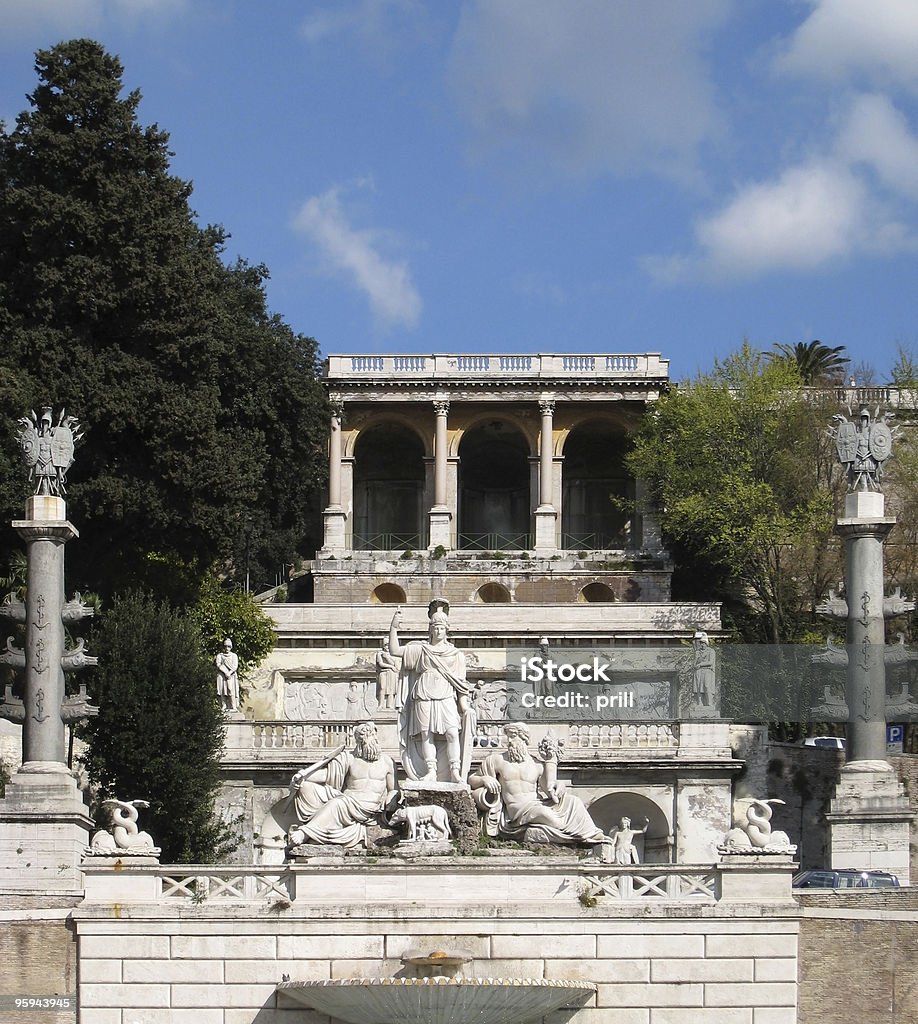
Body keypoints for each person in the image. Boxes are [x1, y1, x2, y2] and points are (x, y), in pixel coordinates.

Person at [469, 723, 605, 844]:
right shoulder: (496, 760)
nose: (509, 741)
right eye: (508, 737)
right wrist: (485, 779)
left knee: (573, 801)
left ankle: (590, 833)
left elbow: (548, 789)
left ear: (524, 739)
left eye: (513, 736)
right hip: (517, 810)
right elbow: (471, 780)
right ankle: (578, 835)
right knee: (545, 814)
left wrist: (558, 784)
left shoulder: (537, 764)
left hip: (536, 803)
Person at [389, 602, 474, 783]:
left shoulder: (456, 654)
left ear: (446, 630)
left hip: (446, 694)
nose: (438, 631)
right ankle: (431, 770)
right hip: (423, 693)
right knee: (426, 734)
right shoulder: (421, 649)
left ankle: (455, 771)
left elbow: (461, 684)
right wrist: (393, 628)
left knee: (452, 732)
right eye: (435, 628)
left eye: (441, 628)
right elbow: (395, 650)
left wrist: (464, 706)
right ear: (430, 629)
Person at [288, 721, 396, 849]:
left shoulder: (387, 762)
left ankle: (305, 833)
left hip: (370, 809)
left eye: (373, 736)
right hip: (348, 801)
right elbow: (326, 775)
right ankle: (315, 830)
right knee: (306, 786)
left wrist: (391, 800)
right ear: (359, 741)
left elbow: (394, 789)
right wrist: (302, 777)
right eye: (368, 737)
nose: (373, 740)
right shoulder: (349, 758)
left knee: (337, 803)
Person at [215, 638, 240, 713]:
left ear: (231, 647)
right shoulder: (220, 655)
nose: (227, 648)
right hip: (222, 675)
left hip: (231, 676)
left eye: (229, 646)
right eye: (225, 646)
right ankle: (224, 705)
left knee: (230, 690)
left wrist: (229, 673)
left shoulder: (234, 656)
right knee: (222, 690)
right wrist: (225, 672)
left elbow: (235, 666)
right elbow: (218, 664)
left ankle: (233, 706)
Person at [375, 638, 400, 711]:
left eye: (389, 645)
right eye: (386, 645)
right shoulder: (379, 654)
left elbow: (397, 666)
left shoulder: (395, 655)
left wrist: (388, 658)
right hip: (383, 672)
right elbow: (380, 664)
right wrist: (391, 666)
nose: (387, 647)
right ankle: (381, 705)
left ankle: (390, 705)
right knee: (382, 688)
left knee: (391, 689)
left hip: (392, 673)